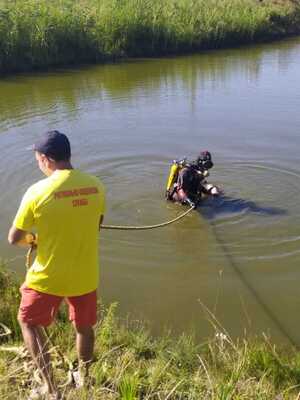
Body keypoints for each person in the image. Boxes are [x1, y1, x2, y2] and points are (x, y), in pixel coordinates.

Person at [8, 131, 106, 399]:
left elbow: (14, 238)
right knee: (84, 328)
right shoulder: (96, 185)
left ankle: (52, 389)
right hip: (85, 275)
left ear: (46, 159)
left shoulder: (37, 191)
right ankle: (85, 379)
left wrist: (35, 240)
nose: (38, 164)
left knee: (27, 321)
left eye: (38, 159)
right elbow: (96, 225)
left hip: (48, 276)